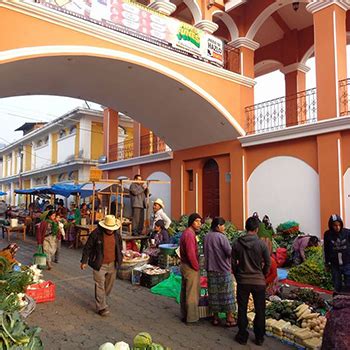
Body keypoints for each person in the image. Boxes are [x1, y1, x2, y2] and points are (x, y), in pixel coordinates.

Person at [232, 216, 271, 346]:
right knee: (260, 310)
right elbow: (268, 263)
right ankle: (259, 337)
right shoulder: (261, 244)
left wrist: (238, 275)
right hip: (258, 281)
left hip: (243, 281)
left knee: (242, 309)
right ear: (256, 229)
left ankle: (242, 335)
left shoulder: (237, 243)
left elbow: (233, 263)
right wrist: (263, 274)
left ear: (246, 227)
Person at [80, 215, 122, 316]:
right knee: (100, 284)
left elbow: (119, 247)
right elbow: (87, 248)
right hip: (99, 264)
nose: (110, 230)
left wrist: (120, 258)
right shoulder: (96, 234)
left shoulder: (117, 235)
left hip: (112, 263)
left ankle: (102, 298)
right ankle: (101, 307)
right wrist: (84, 261)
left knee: (108, 285)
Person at [203, 217, 236, 327]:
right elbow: (229, 252)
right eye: (223, 225)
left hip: (211, 269)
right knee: (227, 294)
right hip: (223, 269)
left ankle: (216, 318)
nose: (224, 227)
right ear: (218, 226)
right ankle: (229, 318)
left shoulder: (206, 236)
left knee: (214, 294)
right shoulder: (222, 237)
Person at [180, 213, 202, 324]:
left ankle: (185, 314)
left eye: (200, 221)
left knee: (186, 291)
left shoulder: (189, 233)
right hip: (189, 266)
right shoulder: (189, 234)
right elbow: (190, 254)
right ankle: (191, 317)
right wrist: (196, 267)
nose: (199, 224)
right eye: (197, 221)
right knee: (192, 293)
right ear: (191, 222)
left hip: (185, 265)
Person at [324, 214, 350, 292]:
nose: (337, 227)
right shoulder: (327, 234)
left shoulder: (347, 233)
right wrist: (326, 263)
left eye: (339, 225)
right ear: (331, 225)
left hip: (347, 263)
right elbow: (326, 249)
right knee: (337, 284)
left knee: (348, 284)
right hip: (335, 265)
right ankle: (339, 301)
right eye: (335, 225)